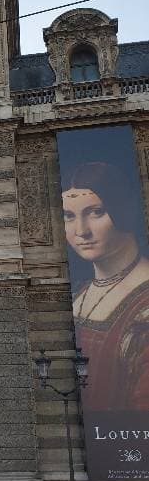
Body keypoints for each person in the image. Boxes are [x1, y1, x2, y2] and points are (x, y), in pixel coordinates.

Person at [62, 162, 149, 411]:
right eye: (69, 216)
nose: (81, 231)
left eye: (96, 212)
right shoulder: (81, 292)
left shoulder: (144, 308)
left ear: (122, 208)